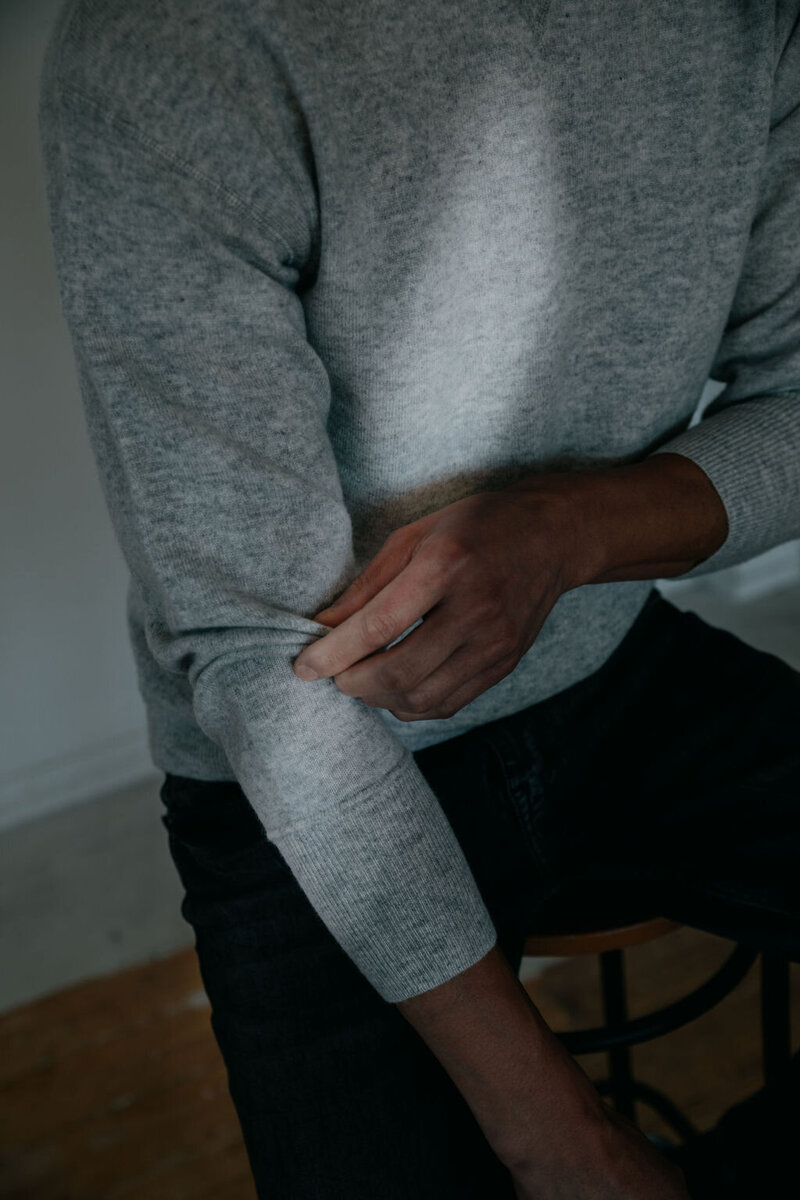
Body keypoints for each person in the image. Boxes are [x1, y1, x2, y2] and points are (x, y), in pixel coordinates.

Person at [39, 0, 800, 1196]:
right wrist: (567, 1140)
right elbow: (261, 659)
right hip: (306, 766)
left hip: (612, 665)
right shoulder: (175, 43)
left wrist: (566, 533)